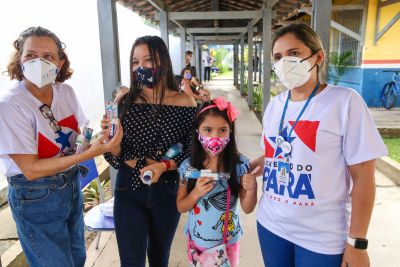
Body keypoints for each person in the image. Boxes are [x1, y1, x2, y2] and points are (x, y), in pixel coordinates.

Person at [250, 23, 387, 267]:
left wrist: (357, 242)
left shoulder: (345, 103)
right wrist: (256, 164)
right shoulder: (275, 105)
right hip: (271, 224)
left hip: (322, 236)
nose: (284, 63)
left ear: (318, 57)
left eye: (294, 54)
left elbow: (364, 178)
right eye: (278, 57)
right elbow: (276, 153)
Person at [0, 26, 120, 267]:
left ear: (60, 62)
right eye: (31, 56)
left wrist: (99, 137)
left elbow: (79, 138)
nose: (39, 63)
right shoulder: (11, 104)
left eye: (48, 57)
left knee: (77, 258)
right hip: (35, 194)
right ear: (19, 59)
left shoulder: (65, 92)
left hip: (70, 186)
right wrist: (90, 153)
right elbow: (31, 169)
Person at [101, 35, 197, 267]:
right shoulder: (124, 101)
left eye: (148, 60)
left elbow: (194, 151)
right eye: (135, 62)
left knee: (159, 258)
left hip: (168, 187)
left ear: (163, 61)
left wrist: (163, 166)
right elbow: (113, 154)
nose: (141, 67)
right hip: (129, 187)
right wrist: (110, 144)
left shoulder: (186, 102)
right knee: (131, 261)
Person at [177, 97, 259, 267]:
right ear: (197, 132)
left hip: (228, 243)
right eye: (207, 130)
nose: (215, 137)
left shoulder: (239, 166)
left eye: (222, 130)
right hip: (198, 244)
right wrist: (196, 193)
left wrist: (252, 189)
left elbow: (247, 208)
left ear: (230, 131)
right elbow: (181, 206)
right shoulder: (188, 168)